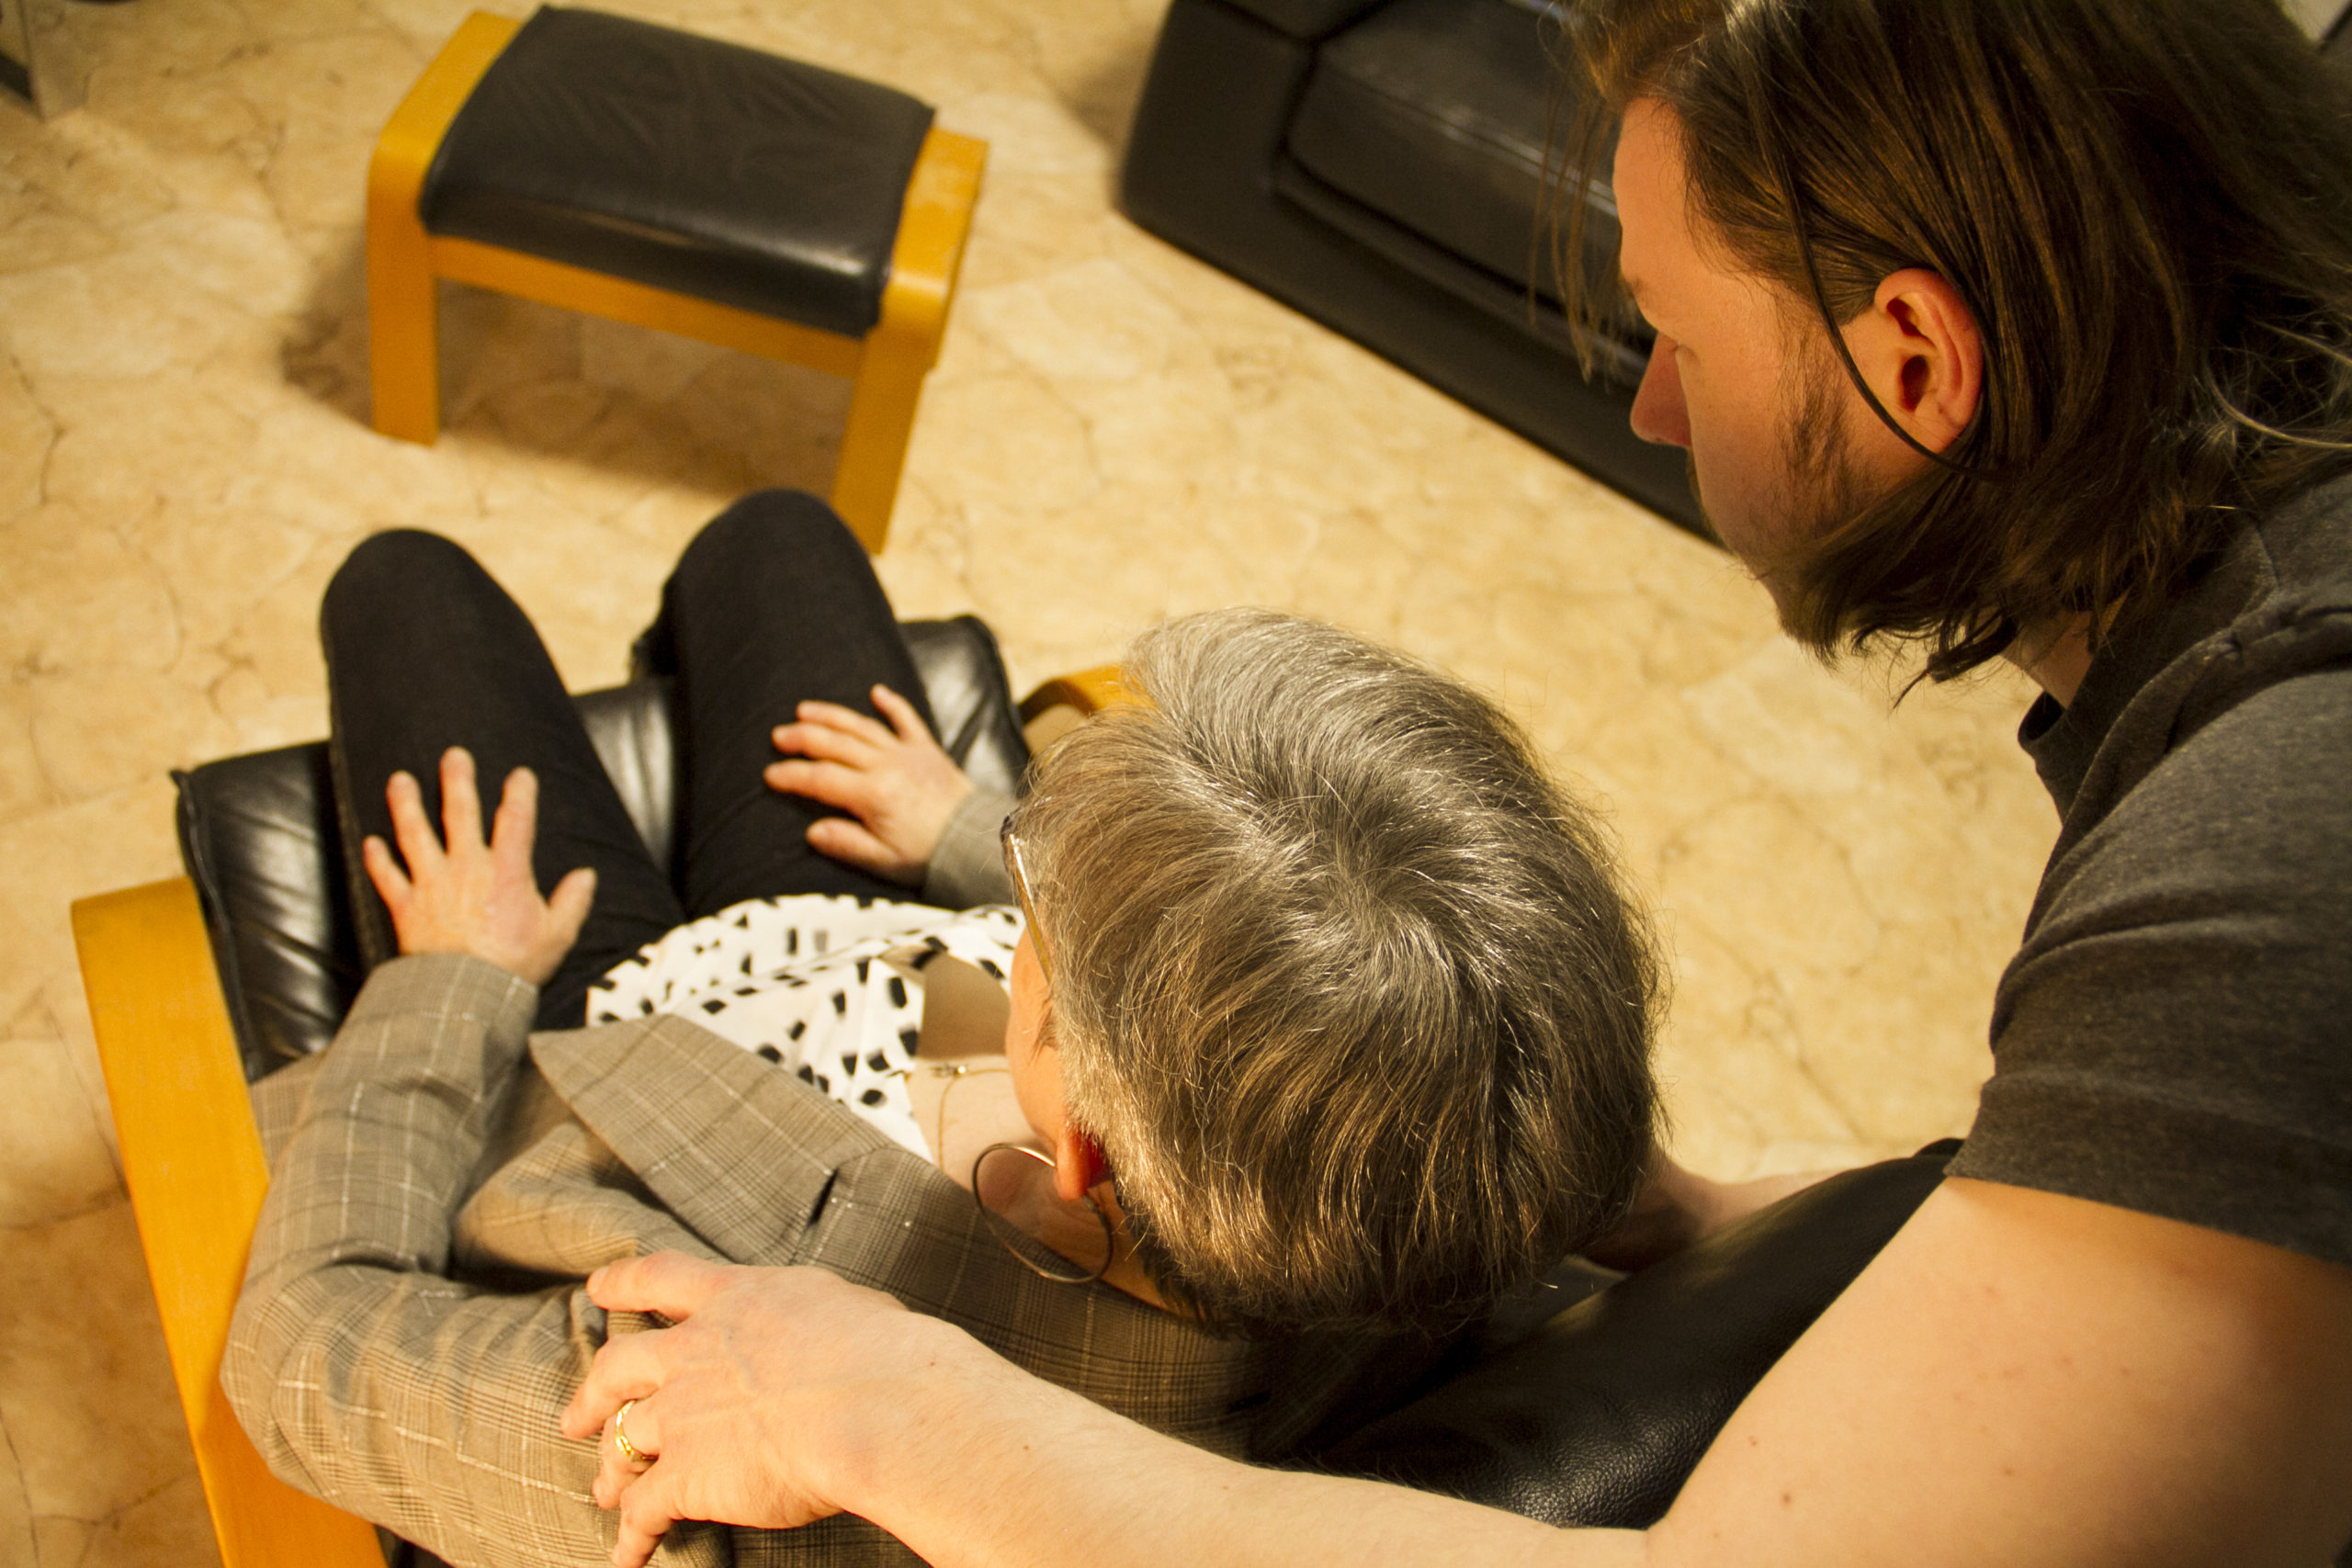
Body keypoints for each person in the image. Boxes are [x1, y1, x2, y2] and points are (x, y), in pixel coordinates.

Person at [556, 2, 2352, 1564]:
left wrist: (891, 1413)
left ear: (1913, 362)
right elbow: (1999, 1222)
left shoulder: (2273, 867)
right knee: (770, 549)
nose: (1651, 411)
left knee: (694, 561)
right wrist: (1695, 1217)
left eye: (1675, 334)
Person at [223, 495, 1664, 1565]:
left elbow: (298, 1360)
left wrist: (451, 981)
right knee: (774, 537)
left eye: (1043, 891)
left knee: (404, 583)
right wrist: (965, 829)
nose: (1023, 869)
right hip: (868, 937)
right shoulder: (1433, 1179)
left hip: (589, 1013)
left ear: (1081, 1144)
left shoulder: (738, 1418)